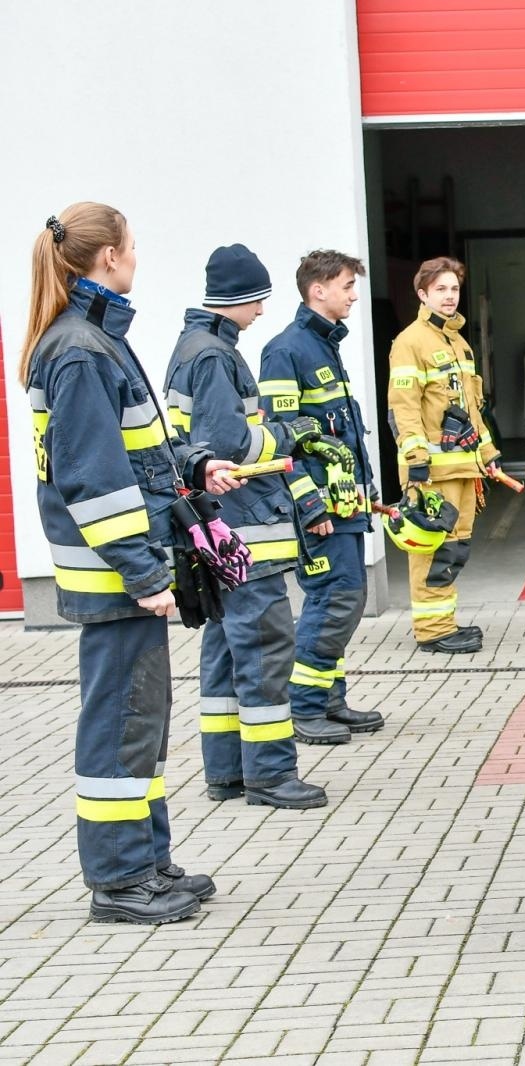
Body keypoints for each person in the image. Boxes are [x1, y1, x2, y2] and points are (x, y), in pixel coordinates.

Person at [22, 203, 242, 923]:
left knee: (140, 723)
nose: (138, 255)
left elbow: (137, 453)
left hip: (126, 576)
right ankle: (119, 882)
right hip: (118, 580)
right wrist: (147, 577)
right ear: (109, 256)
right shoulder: (82, 349)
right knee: (121, 724)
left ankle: (147, 861)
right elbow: (92, 477)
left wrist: (197, 465)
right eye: (134, 245)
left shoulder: (94, 340)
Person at [162, 244, 330, 809]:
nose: (261, 310)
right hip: (246, 532)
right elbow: (228, 444)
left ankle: (228, 773)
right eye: (258, 299)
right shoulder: (214, 356)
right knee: (263, 651)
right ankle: (271, 776)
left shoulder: (192, 348)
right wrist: (287, 434)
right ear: (238, 298)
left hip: (220, 533)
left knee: (226, 651)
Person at [259, 251, 386, 744]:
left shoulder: (323, 345)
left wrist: (365, 487)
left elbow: (341, 433)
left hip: (344, 504)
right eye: (348, 285)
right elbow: (281, 439)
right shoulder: (286, 351)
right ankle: (304, 706)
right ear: (318, 290)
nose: (355, 295)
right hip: (320, 510)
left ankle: (330, 700)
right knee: (334, 600)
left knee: (346, 601)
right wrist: (308, 504)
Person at [387, 256, 501, 654]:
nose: (450, 296)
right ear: (423, 294)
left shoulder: (458, 342)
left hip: (463, 467)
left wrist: (488, 453)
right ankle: (432, 631)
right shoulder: (410, 342)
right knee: (431, 547)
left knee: (454, 547)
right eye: (441, 289)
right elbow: (403, 406)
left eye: (454, 289)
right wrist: (416, 460)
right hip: (431, 471)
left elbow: (471, 409)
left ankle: (443, 623)